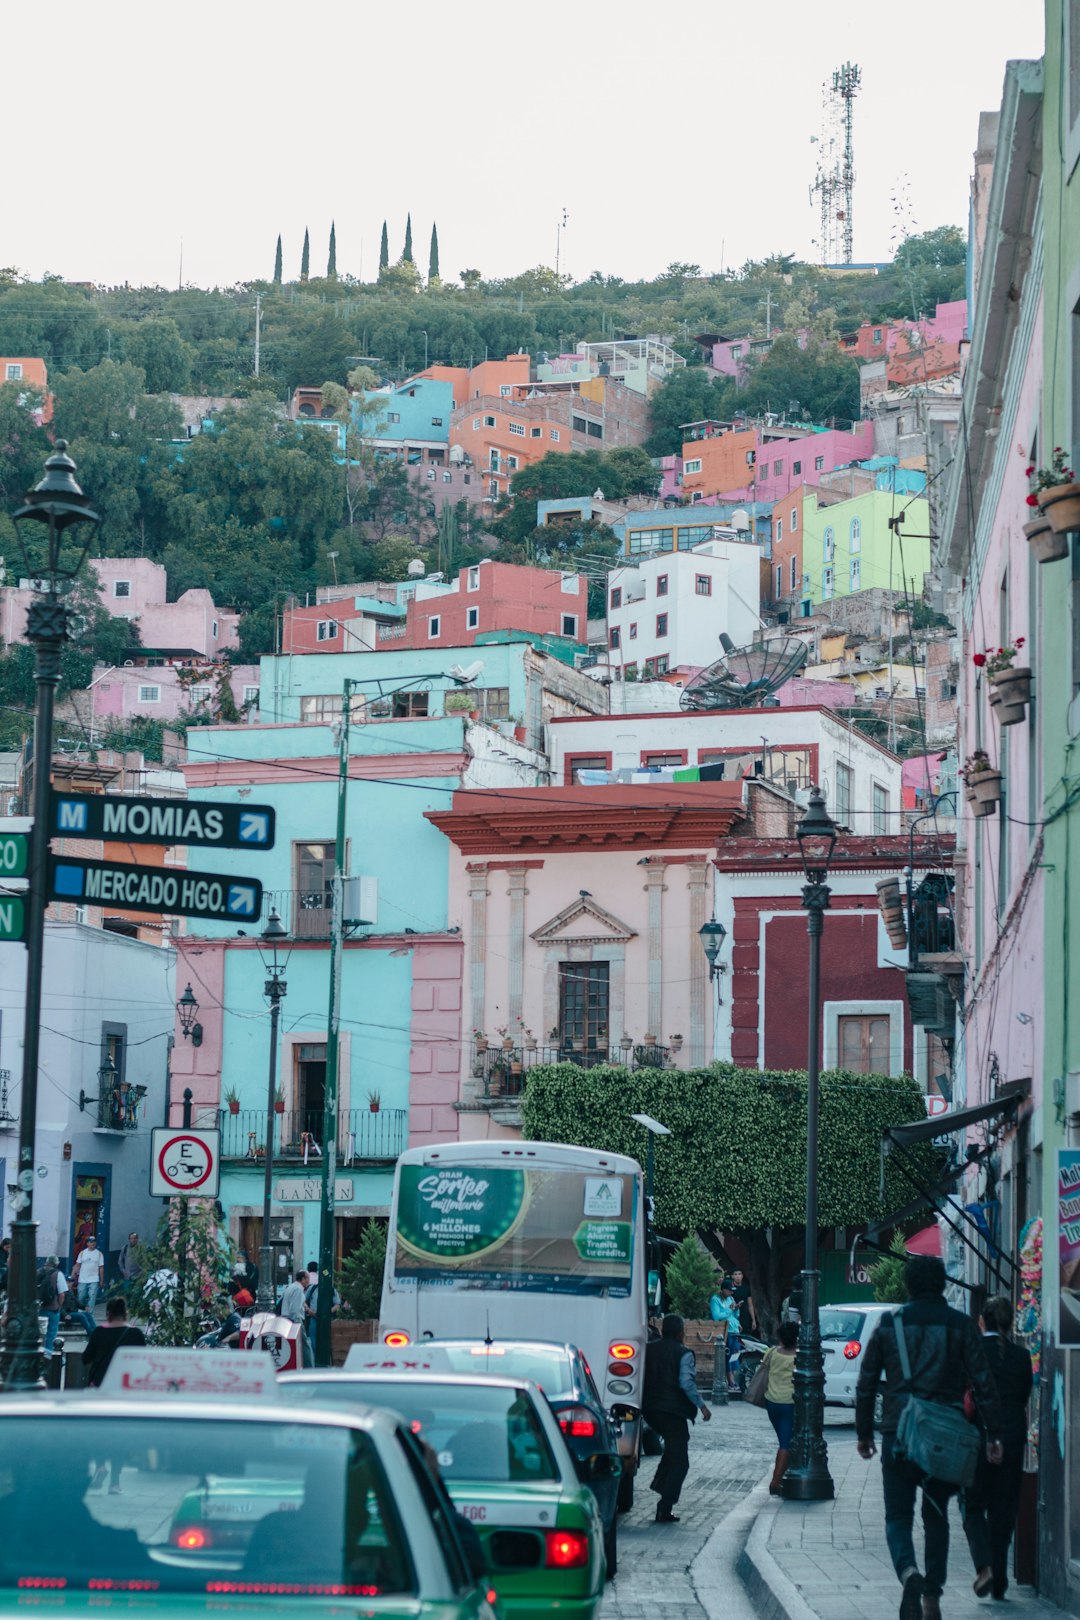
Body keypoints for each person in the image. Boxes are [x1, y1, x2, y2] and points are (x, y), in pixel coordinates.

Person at [856, 1255, 1003, 1620]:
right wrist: (994, 1433)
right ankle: (932, 1597)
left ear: (908, 1285)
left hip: (899, 1435)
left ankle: (908, 1573)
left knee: (897, 1518)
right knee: (936, 1516)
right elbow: (984, 1384)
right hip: (945, 1438)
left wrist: (863, 1433)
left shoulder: (890, 1325)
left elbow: (867, 1382)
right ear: (941, 1284)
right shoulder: (962, 1325)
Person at [961, 1295, 1033, 1601]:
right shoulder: (1021, 1356)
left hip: (979, 1438)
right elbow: (1025, 1394)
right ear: (1008, 1324)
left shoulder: (974, 1353)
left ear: (982, 1322)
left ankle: (984, 1566)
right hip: (1013, 1437)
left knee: (973, 1505)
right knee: (1004, 1510)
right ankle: (1000, 1579)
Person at [642, 1313, 711, 1523]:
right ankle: (665, 1505)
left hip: (650, 1409)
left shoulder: (649, 1350)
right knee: (680, 1461)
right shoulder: (684, 1354)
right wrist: (702, 1406)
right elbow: (686, 1383)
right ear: (682, 1333)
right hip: (672, 1411)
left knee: (673, 1451)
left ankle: (660, 1486)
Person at [759, 1321, 798, 1494]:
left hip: (772, 1402)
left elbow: (762, 1369)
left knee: (784, 1440)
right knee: (786, 1442)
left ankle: (783, 1473)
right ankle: (776, 1480)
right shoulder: (800, 1356)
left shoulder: (771, 1353)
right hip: (790, 1403)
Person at [83, 1297, 146, 1391]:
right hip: (127, 1382)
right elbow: (143, 1360)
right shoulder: (136, 1333)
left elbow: (86, 1358)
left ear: (108, 1314)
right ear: (126, 1313)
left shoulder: (99, 1332)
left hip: (102, 1381)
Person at [708, 1280, 743, 1391]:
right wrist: (730, 1309)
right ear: (723, 1290)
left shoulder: (730, 1299)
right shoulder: (715, 1299)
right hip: (725, 1331)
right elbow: (717, 1316)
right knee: (727, 1355)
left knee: (735, 1355)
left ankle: (733, 1379)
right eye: (729, 1291)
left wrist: (736, 1308)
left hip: (735, 1329)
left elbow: (735, 1316)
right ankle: (730, 1381)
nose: (731, 1293)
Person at [280, 1269, 314, 1367]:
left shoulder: (291, 1287)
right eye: (307, 1278)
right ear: (303, 1279)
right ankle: (310, 1367)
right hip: (295, 1321)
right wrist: (297, 1324)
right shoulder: (298, 1290)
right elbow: (294, 1310)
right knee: (305, 1345)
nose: (308, 1281)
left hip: (287, 1320)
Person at [37, 1256, 68, 1356]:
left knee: (39, 1334)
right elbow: (62, 1294)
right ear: (56, 1263)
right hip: (52, 1308)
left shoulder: (38, 1272)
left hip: (39, 1309)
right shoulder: (58, 1274)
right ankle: (48, 1356)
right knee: (51, 1334)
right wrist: (59, 1307)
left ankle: (39, 1355)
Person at [74, 1236, 104, 1317]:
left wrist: (101, 1280)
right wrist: (73, 1275)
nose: (92, 1243)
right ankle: (80, 1314)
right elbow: (77, 1265)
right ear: (87, 1243)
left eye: (94, 1241)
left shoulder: (99, 1254)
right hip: (82, 1279)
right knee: (81, 1297)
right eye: (90, 1242)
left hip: (94, 1279)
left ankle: (89, 1314)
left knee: (92, 1297)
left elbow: (101, 1268)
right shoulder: (82, 1253)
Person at [730, 1268, 758, 1335]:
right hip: (734, 1315)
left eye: (739, 1274)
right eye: (735, 1274)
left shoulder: (746, 1288)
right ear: (732, 1276)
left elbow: (750, 1304)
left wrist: (753, 1320)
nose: (738, 1276)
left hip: (745, 1316)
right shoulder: (729, 1288)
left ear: (742, 1276)